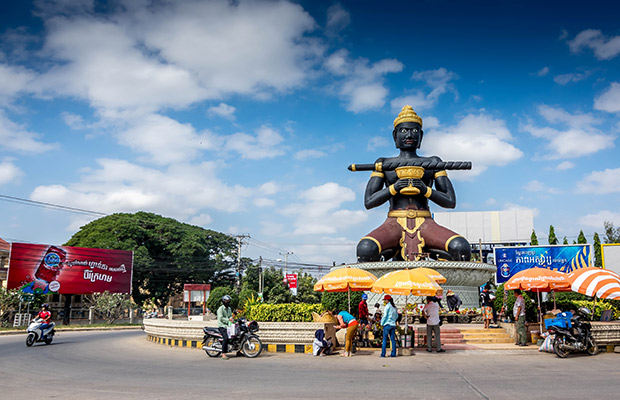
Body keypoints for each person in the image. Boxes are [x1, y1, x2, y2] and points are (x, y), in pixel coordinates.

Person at [356, 105, 471, 262]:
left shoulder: (433, 162)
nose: (410, 135)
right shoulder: (383, 164)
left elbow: (450, 202)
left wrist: (425, 190)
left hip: (426, 223)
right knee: (366, 249)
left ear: (421, 136)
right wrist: (394, 188)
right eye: (404, 131)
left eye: (415, 131)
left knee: (460, 247)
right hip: (394, 222)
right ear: (395, 136)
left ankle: (452, 285)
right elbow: (369, 202)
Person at [217, 295, 234, 359]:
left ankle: (238, 351)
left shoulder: (229, 309)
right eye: (227, 301)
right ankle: (223, 354)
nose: (228, 302)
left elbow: (230, 316)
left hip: (228, 326)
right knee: (226, 338)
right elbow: (221, 318)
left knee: (235, 337)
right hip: (222, 326)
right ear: (223, 301)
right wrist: (228, 320)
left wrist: (231, 319)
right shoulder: (220, 309)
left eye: (229, 301)